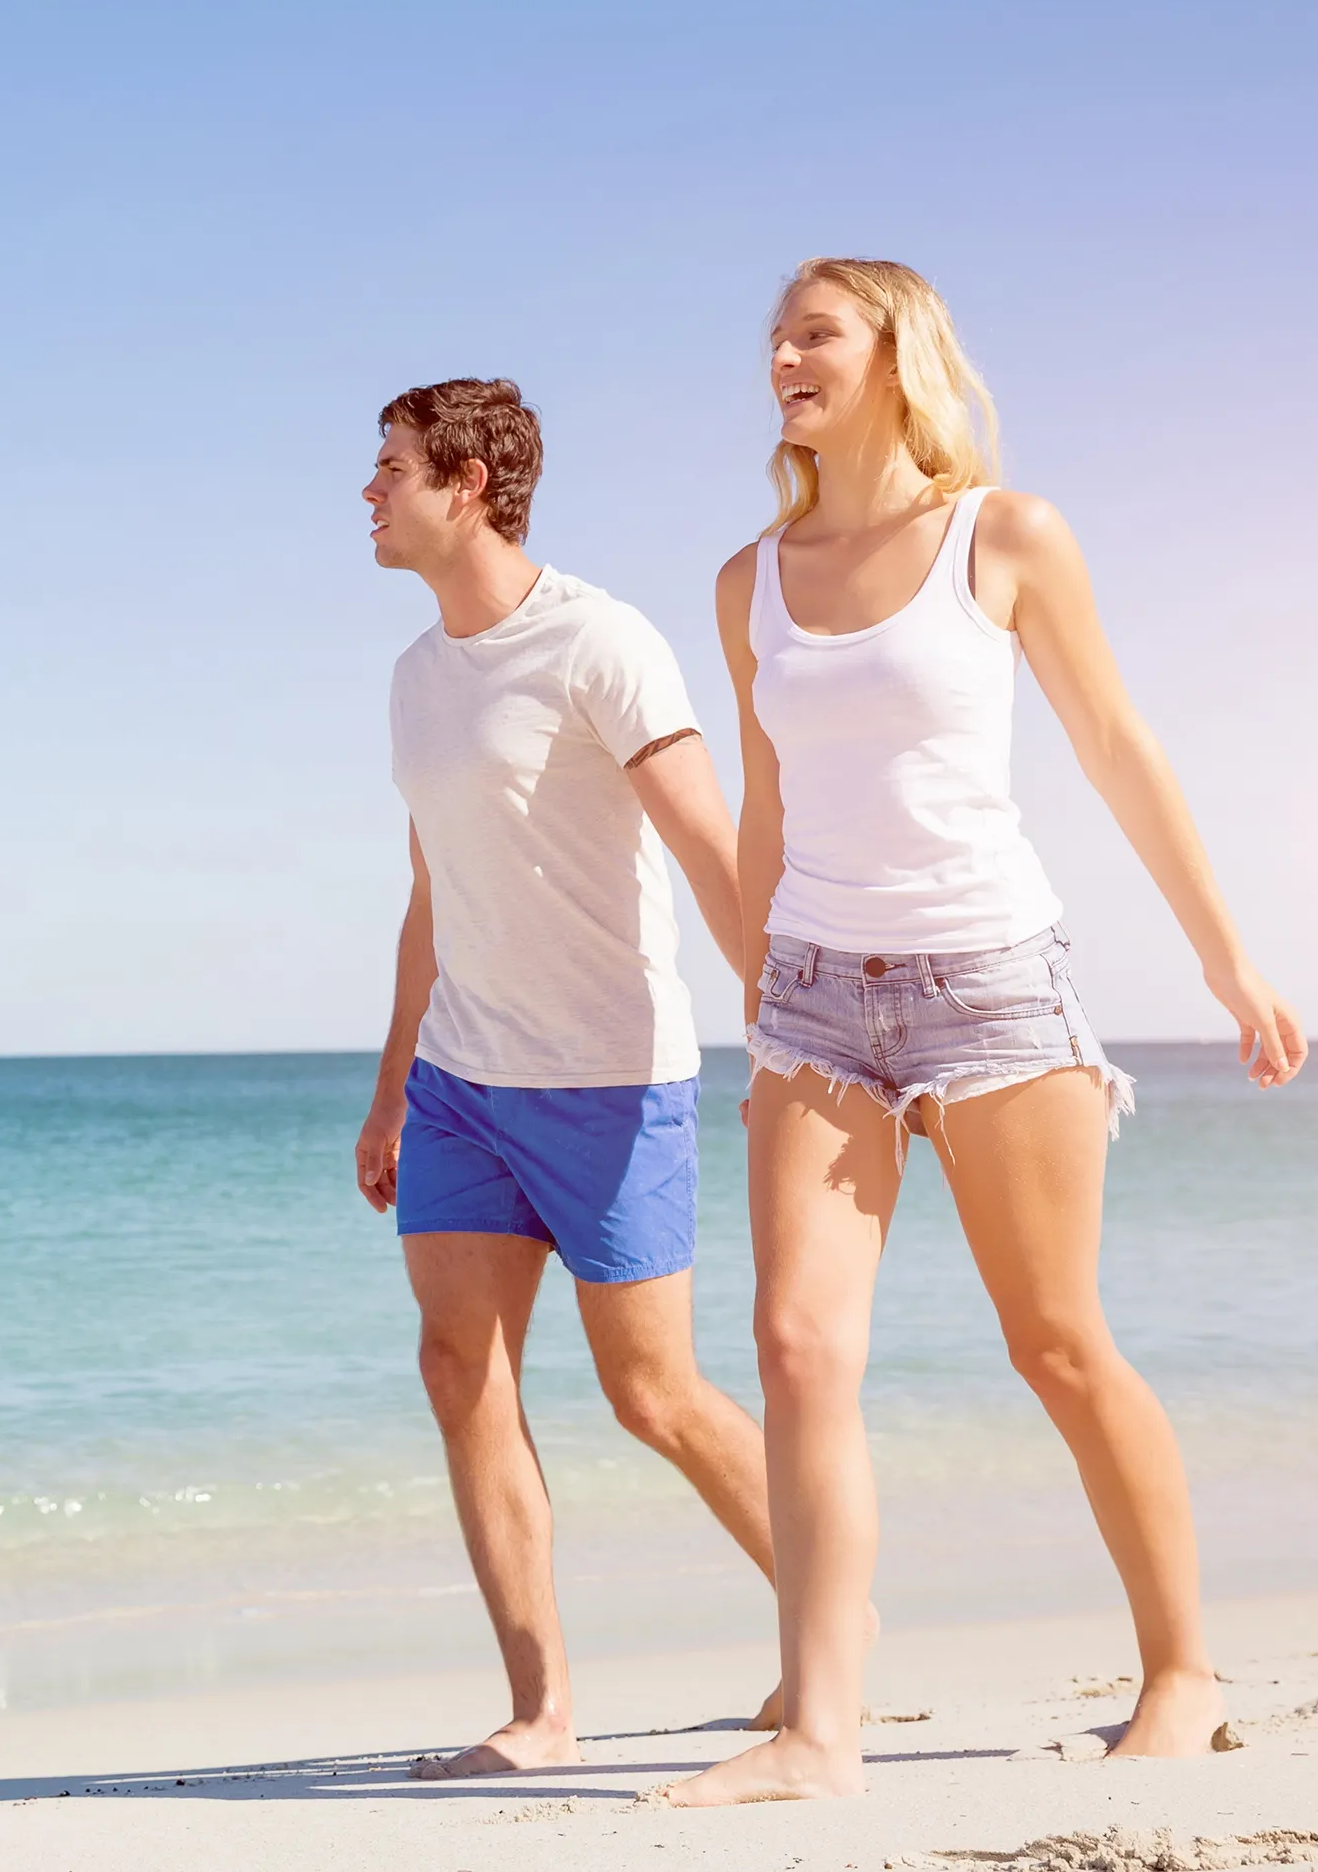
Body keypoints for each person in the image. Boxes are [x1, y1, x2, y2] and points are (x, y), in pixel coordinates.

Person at [664, 261, 1306, 1808]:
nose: (780, 354)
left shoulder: (1002, 535)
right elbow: (766, 810)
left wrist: (1230, 963)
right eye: (775, 335)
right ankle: (820, 1729)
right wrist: (759, 990)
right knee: (799, 1348)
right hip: (815, 996)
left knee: (1057, 1345)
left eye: (814, 330)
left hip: (993, 987)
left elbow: (1114, 745)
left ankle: (1181, 1674)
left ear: (898, 353)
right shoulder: (748, 578)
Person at [355, 377, 780, 1779]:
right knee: (456, 1365)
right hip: (463, 1083)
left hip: (611, 1075)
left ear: (467, 482)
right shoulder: (417, 677)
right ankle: (539, 1709)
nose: (369, 493)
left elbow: (710, 847)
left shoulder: (603, 642)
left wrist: (785, 1024)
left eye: (392, 468)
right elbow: (430, 895)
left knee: (652, 1392)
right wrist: (391, 1085)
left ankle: (832, 1616)